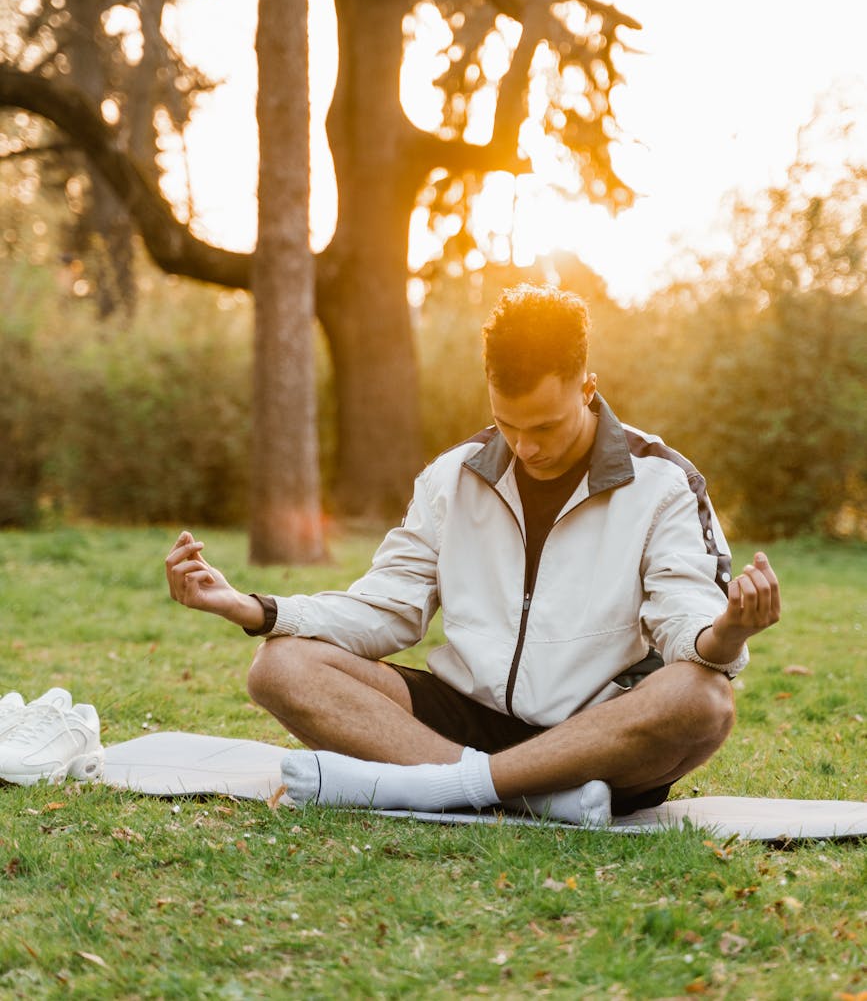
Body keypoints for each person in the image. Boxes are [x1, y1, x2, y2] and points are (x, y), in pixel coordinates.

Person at [165, 284, 781, 825]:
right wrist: (252, 608)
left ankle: (446, 789)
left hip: (598, 736)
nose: (525, 447)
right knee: (278, 668)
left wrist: (726, 631)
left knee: (701, 699)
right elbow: (386, 610)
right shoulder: (450, 479)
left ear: (588, 387)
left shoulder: (664, 484)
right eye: (507, 424)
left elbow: (686, 624)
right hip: (461, 721)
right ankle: (518, 797)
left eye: (545, 426)